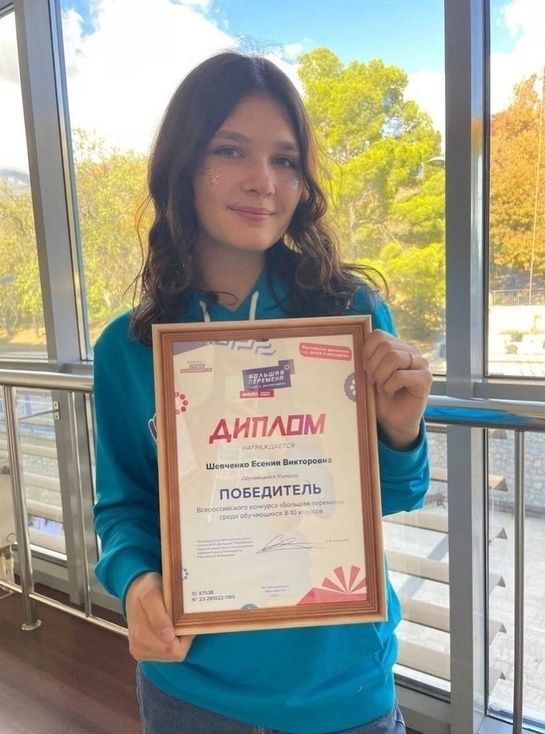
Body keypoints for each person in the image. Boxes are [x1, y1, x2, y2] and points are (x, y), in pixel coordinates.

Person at [93, 50, 432, 734]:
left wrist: (402, 430)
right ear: (183, 165)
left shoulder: (350, 316)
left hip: (342, 688)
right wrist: (135, 580)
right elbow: (123, 506)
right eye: (229, 150)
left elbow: (396, 496)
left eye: (285, 159)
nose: (263, 181)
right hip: (192, 688)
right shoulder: (128, 348)